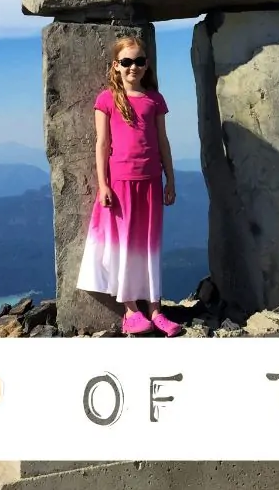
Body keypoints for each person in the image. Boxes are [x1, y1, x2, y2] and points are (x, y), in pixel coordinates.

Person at [75, 35, 183, 337]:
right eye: (127, 62)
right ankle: (131, 309)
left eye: (139, 61)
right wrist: (103, 185)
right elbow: (102, 144)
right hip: (120, 183)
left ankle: (156, 309)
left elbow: (163, 141)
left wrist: (170, 178)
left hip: (150, 181)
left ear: (147, 65)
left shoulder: (154, 100)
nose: (133, 66)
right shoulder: (107, 99)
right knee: (124, 246)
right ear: (116, 66)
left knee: (149, 245)